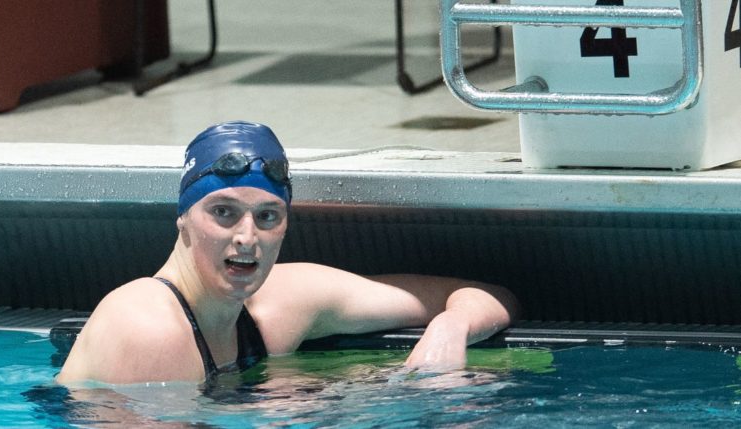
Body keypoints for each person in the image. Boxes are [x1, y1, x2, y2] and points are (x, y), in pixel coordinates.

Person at [57, 121, 518, 385]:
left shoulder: (284, 303)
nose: (246, 236)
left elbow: (488, 296)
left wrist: (450, 329)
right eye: (223, 212)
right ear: (183, 223)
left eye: (267, 216)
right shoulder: (147, 328)